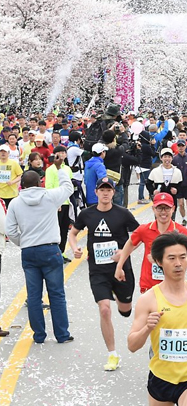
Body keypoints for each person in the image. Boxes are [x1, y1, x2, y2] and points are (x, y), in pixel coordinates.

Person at [127, 232, 187, 406]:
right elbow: (132, 345)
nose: (178, 264)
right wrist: (147, 328)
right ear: (159, 261)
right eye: (171, 258)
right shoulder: (148, 300)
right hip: (162, 377)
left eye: (183, 257)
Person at [68, 177, 140, 371]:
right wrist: (75, 248)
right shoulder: (86, 214)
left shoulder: (123, 214)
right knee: (105, 309)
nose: (106, 193)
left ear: (114, 192)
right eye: (102, 189)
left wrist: (123, 253)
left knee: (125, 311)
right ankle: (112, 354)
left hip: (121, 270)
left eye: (109, 189)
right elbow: (72, 233)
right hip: (98, 270)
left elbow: (139, 236)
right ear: (96, 192)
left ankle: (119, 298)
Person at [6, 168, 74, 344]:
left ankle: (39, 335)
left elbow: (10, 231)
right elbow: (68, 187)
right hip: (50, 249)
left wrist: (23, 241)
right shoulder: (49, 197)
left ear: (22, 185)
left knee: (34, 296)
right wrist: (60, 170)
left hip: (29, 251)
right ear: (39, 183)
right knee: (56, 294)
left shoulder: (15, 203)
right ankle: (62, 335)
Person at [115, 193, 187, 294]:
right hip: (149, 284)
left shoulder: (182, 232)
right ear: (153, 209)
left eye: (167, 208)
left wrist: (160, 261)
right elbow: (130, 244)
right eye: (159, 208)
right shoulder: (144, 229)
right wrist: (119, 266)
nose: (163, 212)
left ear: (173, 209)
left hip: (173, 285)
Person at [44, 145, 73, 261]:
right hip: (57, 204)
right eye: (59, 153)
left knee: (64, 228)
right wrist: (55, 203)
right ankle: (54, 253)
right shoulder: (50, 170)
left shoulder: (67, 169)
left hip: (67, 202)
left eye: (63, 152)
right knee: (55, 229)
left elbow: (69, 185)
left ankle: (62, 251)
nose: (61, 155)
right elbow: (49, 187)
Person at [0, 143, 23, 208]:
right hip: (1, 194)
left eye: (5, 152)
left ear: (8, 153)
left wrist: (12, 182)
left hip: (12, 193)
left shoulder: (14, 163)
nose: (3, 153)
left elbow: (20, 175)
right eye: (1, 151)